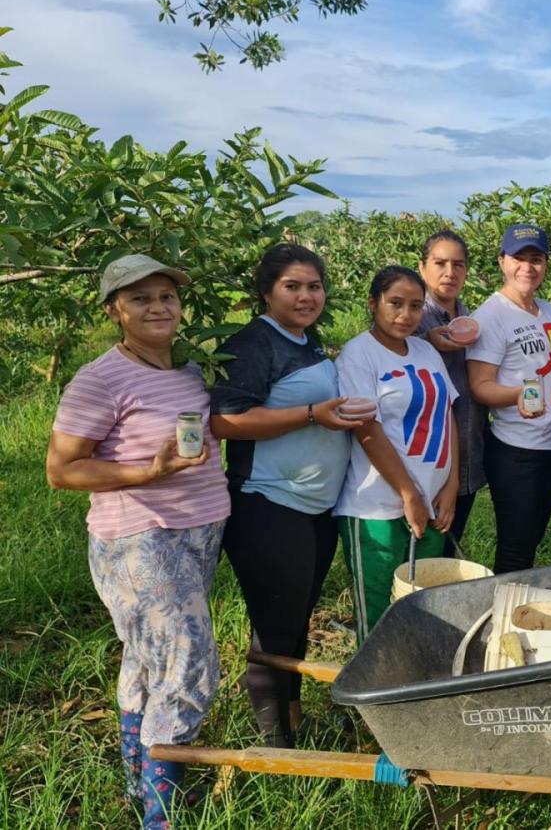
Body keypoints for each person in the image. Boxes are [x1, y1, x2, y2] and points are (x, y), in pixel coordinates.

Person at [45, 255, 230, 829]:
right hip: (139, 540)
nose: (158, 307)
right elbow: (61, 469)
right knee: (188, 657)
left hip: (199, 532)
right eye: (140, 298)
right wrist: (144, 474)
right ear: (114, 310)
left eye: (167, 297)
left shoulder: (191, 370)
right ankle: (161, 811)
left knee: (150, 657)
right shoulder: (99, 378)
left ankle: (140, 781)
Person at [209, 243, 371, 747]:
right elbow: (225, 421)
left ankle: (292, 718)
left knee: (296, 618)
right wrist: (310, 416)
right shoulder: (255, 344)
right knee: (276, 628)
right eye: (292, 287)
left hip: (313, 508)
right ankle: (276, 748)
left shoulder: (306, 340)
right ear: (266, 293)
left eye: (314, 286)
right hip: (268, 504)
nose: (306, 296)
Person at [334, 265, 459, 645]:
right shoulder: (358, 355)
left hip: (432, 502)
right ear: (373, 303)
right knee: (379, 610)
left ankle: (411, 689)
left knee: (421, 602)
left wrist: (450, 484)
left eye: (416, 306)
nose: (406, 315)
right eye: (395, 304)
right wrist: (408, 494)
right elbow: (366, 429)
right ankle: (369, 697)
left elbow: (448, 414)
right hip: (378, 506)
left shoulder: (424, 350)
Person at [467, 223, 551, 574]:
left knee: (529, 544)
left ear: (546, 264)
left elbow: (549, 365)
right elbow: (481, 386)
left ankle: (512, 615)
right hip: (517, 452)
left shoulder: (547, 309)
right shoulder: (490, 316)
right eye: (519, 258)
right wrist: (517, 394)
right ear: (502, 262)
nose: (527, 267)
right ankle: (501, 622)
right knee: (515, 551)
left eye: (536, 258)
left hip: (549, 448)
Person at [417, 230, 487, 558]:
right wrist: (425, 340)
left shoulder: (471, 318)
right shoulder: (411, 317)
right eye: (440, 263)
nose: (450, 272)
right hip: (428, 458)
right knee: (419, 554)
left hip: (469, 451)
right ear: (422, 267)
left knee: (446, 549)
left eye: (458, 265)